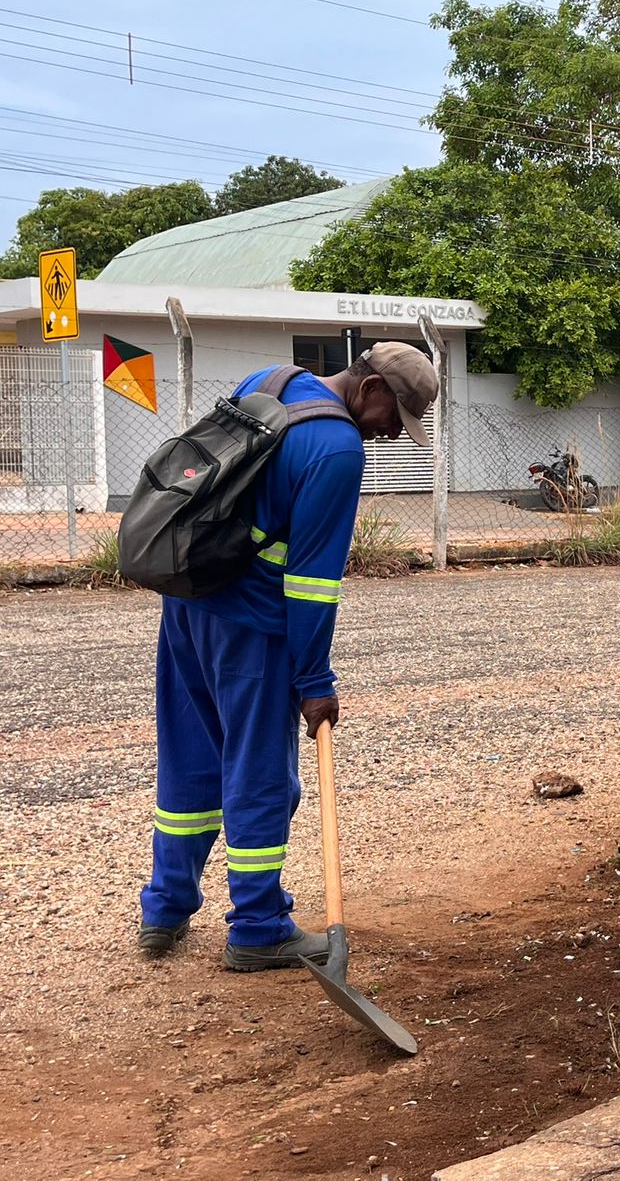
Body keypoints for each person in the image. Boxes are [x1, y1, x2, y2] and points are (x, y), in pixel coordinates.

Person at [139, 342, 438, 970]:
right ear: (372, 388)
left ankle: (164, 909)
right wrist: (313, 678)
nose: (392, 432)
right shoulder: (336, 449)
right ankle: (258, 926)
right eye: (396, 415)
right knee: (260, 773)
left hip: (189, 602)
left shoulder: (271, 379)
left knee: (192, 760)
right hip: (252, 628)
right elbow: (311, 584)